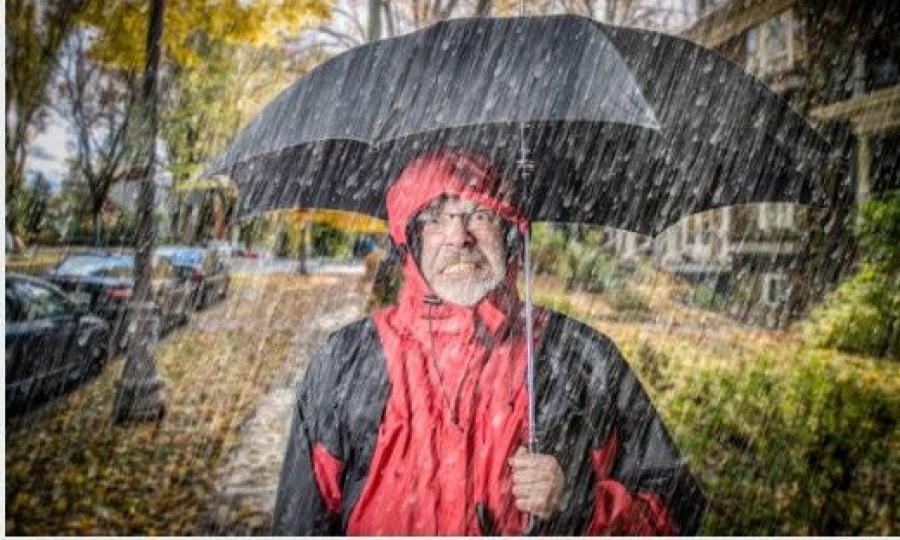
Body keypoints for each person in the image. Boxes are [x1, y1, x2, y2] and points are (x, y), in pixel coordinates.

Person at [272, 150, 707, 535]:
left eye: (479, 213)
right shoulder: (346, 361)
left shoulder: (583, 358)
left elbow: (676, 509)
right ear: (411, 239)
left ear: (510, 232)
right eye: (437, 216)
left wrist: (581, 505)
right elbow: (299, 524)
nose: (459, 237)